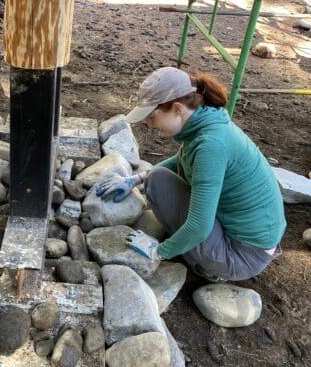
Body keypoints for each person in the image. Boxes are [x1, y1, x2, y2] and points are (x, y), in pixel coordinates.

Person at [96, 67, 286, 282]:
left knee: (157, 183)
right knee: (156, 177)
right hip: (253, 240)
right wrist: (135, 179)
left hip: (242, 255)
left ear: (177, 108)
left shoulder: (211, 146)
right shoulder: (207, 123)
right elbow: (182, 160)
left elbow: (199, 226)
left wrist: (158, 250)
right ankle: (199, 252)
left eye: (151, 117)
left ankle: (211, 267)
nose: (148, 125)